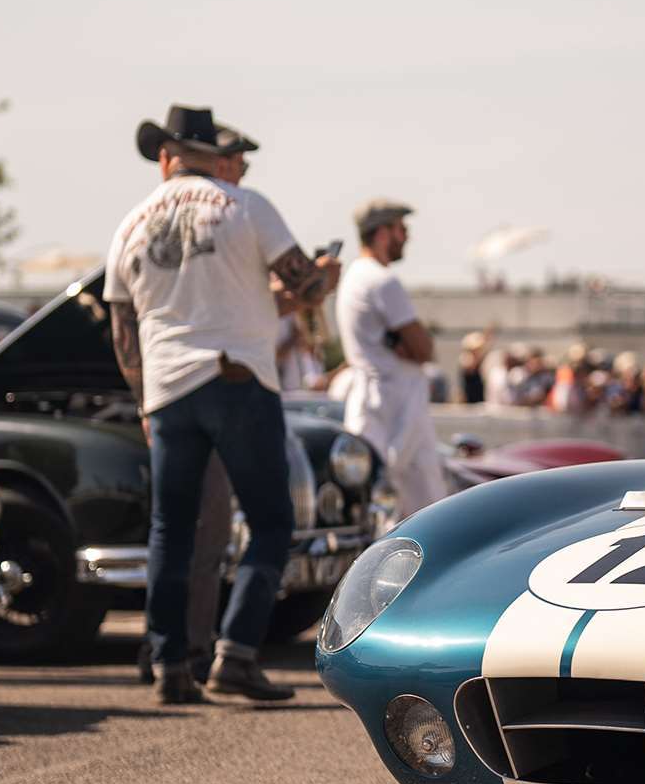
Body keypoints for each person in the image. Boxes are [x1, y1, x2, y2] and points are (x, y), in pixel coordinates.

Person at [108, 105, 332, 705]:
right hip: (236, 379)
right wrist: (324, 278)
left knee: (170, 531)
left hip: (168, 394)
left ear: (166, 158)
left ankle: (169, 665)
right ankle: (235, 653)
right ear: (215, 155)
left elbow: (124, 332)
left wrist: (146, 407)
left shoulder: (128, 224)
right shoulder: (244, 205)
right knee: (271, 523)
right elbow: (303, 285)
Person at [335, 199, 447, 521]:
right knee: (420, 513)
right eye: (402, 229)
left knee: (381, 509)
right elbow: (424, 348)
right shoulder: (383, 281)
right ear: (383, 233)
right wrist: (413, 343)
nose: (406, 236)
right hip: (395, 406)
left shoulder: (356, 276)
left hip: (376, 402)